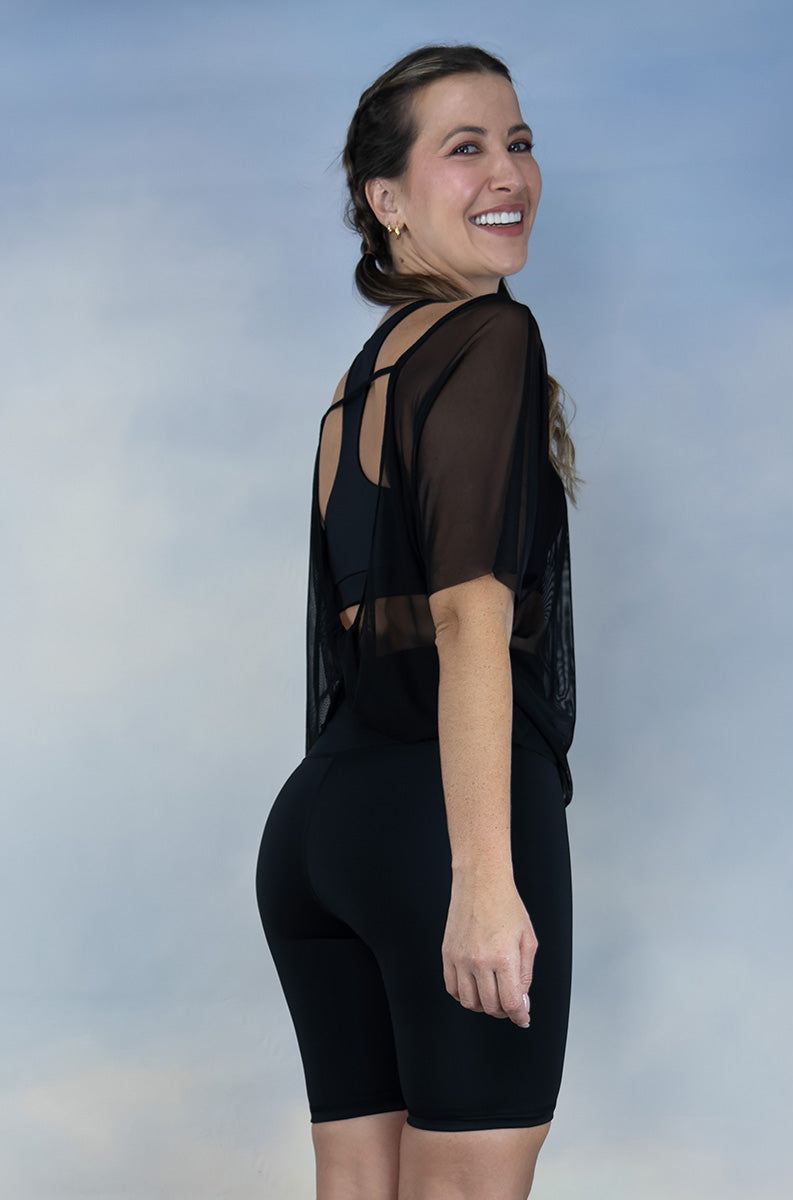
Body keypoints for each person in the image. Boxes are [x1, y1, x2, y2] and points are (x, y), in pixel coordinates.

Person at [255, 43, 581, 1200]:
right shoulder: (491, 340)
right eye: (466, 148)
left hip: (319, 829)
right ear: (385, 200)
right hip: (437, 832)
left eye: (519, 142)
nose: (509, 173)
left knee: (357, 1179)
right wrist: (483, 879)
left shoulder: (360, 385)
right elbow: (467, 623)